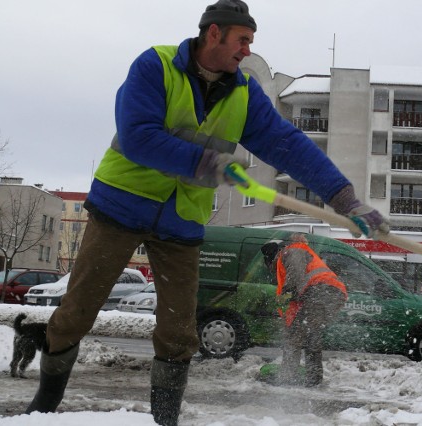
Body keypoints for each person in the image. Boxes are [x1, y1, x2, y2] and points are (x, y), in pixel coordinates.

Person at [25, 1, 389, 425]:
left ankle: (165, 420)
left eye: (251, 42)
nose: (246, 50)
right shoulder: (155, 66)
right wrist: (209, 163)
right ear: (213, 33)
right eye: (242, 40)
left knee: (179, 331)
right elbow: (138, 136)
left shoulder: (244, 93)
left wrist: (345, 199)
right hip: (121, 206)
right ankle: (44, 408)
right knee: (77, 311)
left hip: (181, 221)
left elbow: (288, 145)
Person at [261, 233, 348, 387]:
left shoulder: (290, 252)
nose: (271, 269)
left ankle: (288, 379)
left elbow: (295, 279)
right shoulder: (295, 252)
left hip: (321, 291)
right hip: (329, 292)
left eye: (269, 265)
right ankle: (313, 380)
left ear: (271, 257)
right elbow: (297, 294)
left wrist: (286, 295)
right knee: (310, 336)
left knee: (295, 338)